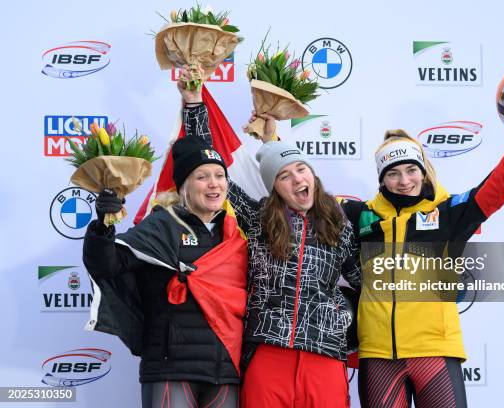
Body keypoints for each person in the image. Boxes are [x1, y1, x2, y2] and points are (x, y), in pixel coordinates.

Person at [341, 91, 504, 407]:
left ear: (423, 171)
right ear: (382, 180)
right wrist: (272, 137)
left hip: (435, 351)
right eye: (392, 173)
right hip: (379, 355)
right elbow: (300, 193)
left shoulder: (449, 213)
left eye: (411, 170)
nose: (404, 180)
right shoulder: (360, 215)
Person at [178, 83, 361, 408]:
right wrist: (194, 105)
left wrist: (347, 322)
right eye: (284, 176)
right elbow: (209, 164)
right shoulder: (260, 217)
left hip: (325, 355)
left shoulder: (340, 225)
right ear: (275, 188)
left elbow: (369, 284)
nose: (297, 179)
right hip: (267, 352)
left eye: (301, 170)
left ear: (313, 176)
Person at [83, 96, 248, 407]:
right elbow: (107, 265)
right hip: (170, 368)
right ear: (183, 186)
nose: (213, 184)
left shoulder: (238, 233)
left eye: (219, 176)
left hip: (226, 371)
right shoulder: (162, 225)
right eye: (202, 177)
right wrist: (103, 227)